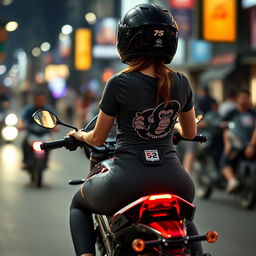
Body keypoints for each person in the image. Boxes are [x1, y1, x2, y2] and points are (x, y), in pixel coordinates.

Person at [67, 4, 203, 256]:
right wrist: (169, 125)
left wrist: (78, 135)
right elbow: (191, 133)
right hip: (177, 181)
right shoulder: (182, 81)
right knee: (182, 215)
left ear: (126, 40)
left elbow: (97, 137)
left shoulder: (119, 83)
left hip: (125, 182)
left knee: (78, 204)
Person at [220, 89, 256, 193]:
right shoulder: (232, 113)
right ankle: (232, 180)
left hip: (250, 143)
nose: (244, 100)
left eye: (247, 98)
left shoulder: (252, 113)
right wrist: (227, 144)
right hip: (236, 143)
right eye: (242, 98)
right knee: (225, 160)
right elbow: (224, 128)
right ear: (237, 99)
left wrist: (252, 145)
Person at [18, 92, 55, 169]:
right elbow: (22, 119)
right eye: (38, 100)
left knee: (50, 145)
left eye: (42, 100)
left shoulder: (48, 109)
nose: (40, 102)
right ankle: (25, 161)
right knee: (24, 143)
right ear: (34, 100)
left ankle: (46, 161)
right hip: (32, 133)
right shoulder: (30, 109)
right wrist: (21, 124)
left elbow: (54, 120)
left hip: (44, 134)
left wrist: (55, 127)